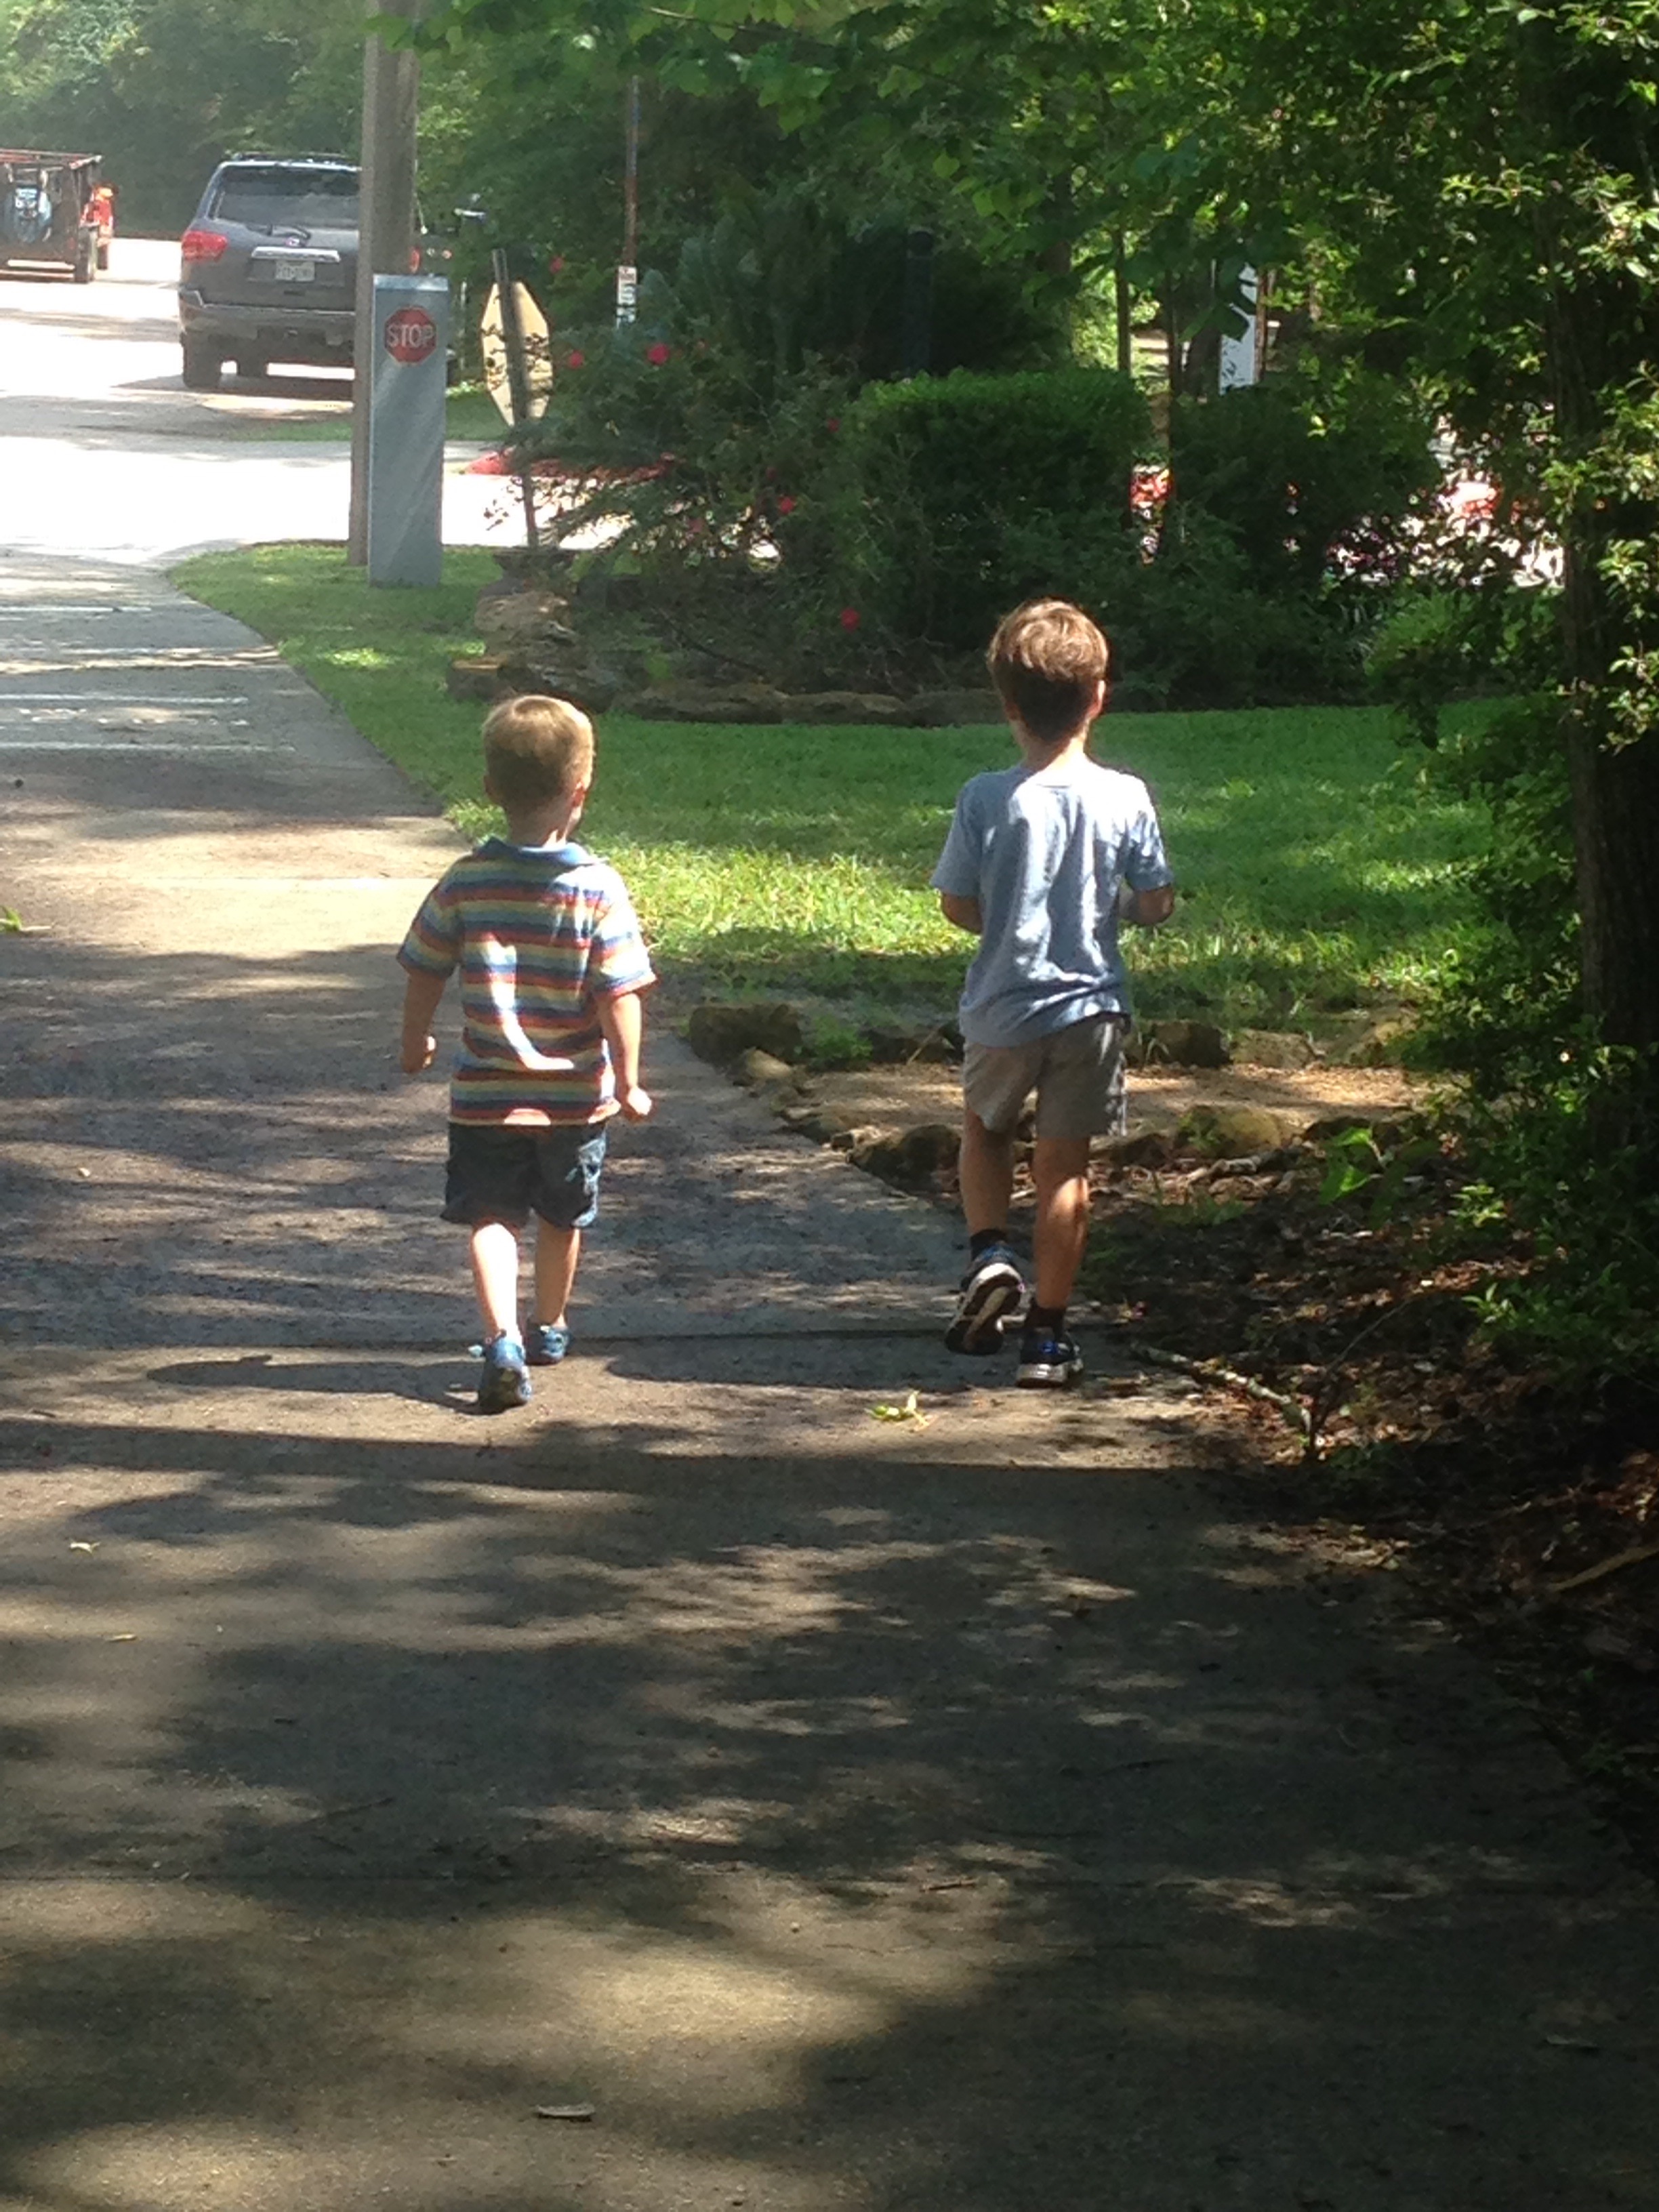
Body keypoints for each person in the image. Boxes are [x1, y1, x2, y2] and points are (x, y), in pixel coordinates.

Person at [930, 598, 1174, 1387]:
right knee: (1066, 1170)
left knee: (985, 1129)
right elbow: (1157, 901)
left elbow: (956, 904)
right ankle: (1046, 1339)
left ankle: (989, 1254)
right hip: (1092, 1012)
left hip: (1003, 1005)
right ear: (1098, 697)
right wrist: (1120, 909)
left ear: (1008, 705)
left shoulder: (985, 797)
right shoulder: (1127, 796)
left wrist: (1000, 919)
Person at [398, 694, 655, 1413]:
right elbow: (620, 994)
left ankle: (501, 1338)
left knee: (491, 1218)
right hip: (575, 1099)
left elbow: (424, 967)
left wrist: (415, 1038)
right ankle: (547, 1326)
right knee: (561, 1219)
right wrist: (630, 1079)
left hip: (486, 1095)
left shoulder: (466, 880)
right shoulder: (598, 889)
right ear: (581, 793)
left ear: (489, 790)